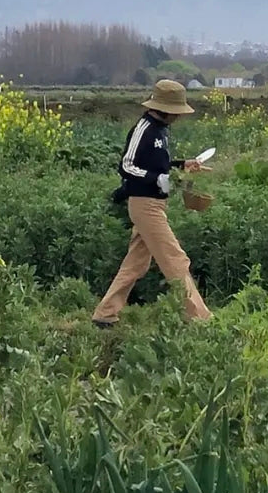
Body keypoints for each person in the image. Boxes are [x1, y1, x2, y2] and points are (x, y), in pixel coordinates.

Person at [91, 79, 213, 328]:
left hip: (156, 204)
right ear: (165, 109)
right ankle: (200, 319)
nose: (178, 117)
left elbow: (157, 166)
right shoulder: (144, 128)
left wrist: (181, 165)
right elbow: (126, 165)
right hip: (144, 205)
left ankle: (105, 314)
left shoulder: (161, 130)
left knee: (137, 262)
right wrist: (157, 179)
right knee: (175, 260)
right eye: (176, 112)